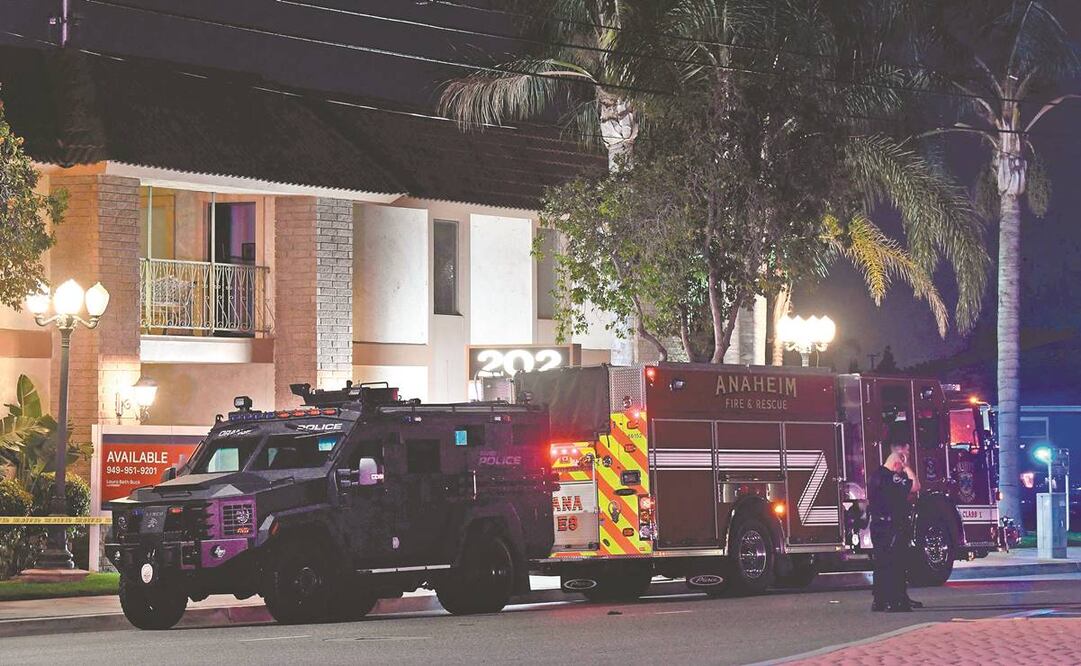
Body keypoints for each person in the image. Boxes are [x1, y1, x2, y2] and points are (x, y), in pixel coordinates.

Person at [869, 442, 921, 612]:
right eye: (899, 467)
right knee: (896, 564)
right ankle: (896, 601)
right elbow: (915, 486)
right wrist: (907, 468)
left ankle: (880, 601)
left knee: (880, 564)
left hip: (877, 525)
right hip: (891, 527)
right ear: (896, 464)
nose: (900, 472)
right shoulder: (892, 477)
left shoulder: (875, 476)